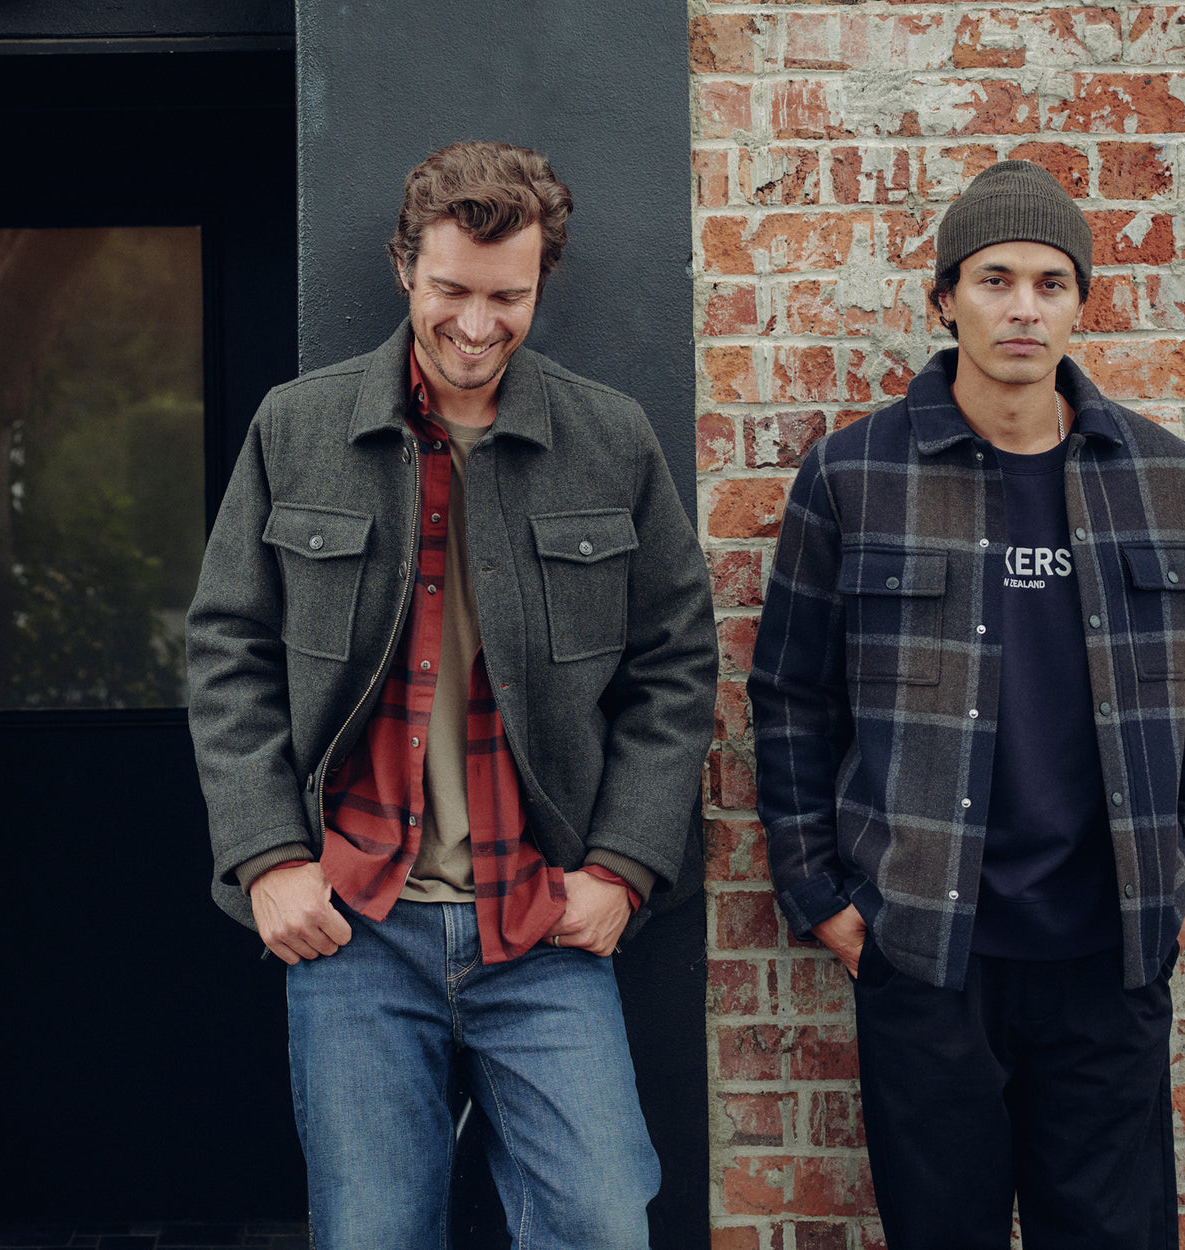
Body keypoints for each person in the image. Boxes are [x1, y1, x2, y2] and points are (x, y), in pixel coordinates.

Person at [186, 140, 718, 1249]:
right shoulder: (298, 427)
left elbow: (676, 660)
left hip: (538, 918)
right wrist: (268, 857)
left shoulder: (608, 437)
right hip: (355, 922)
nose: (477, 325)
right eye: (452, 291)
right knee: (374, 1231)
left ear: (540, 284)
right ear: (403, 270)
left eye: (507, 296)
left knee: (605, 1220)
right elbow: (227, 646)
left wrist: (622, 865)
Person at [747, 160, 1185, 1249]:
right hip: (926, 951)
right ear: (943, 298)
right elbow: (787, 695)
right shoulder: (851, 474)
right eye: (995, 278)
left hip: (1108, 952)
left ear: (1082, 302)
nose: (1024, 306)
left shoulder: (1162, 475)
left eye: (1052, 282)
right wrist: (822, 894)